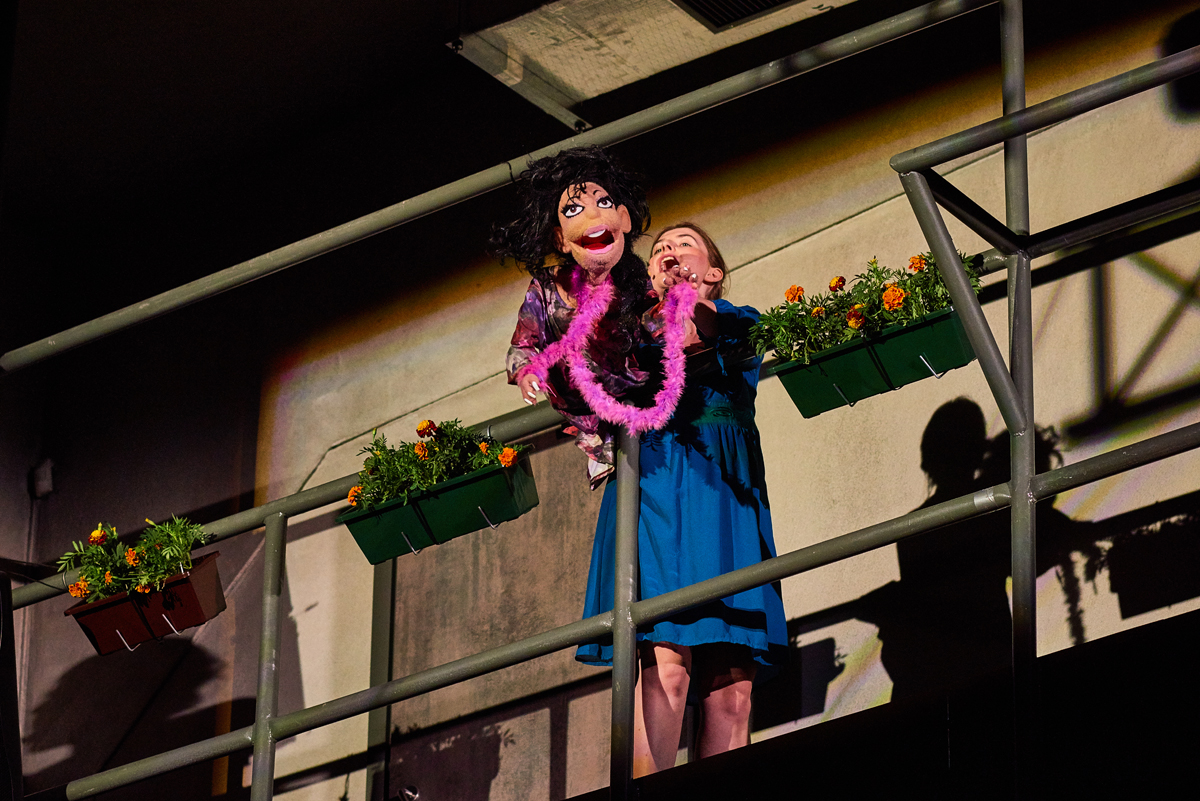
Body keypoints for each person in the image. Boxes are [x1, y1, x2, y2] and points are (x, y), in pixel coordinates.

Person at [575, 223, 788, 776]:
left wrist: (687, 302)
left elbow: (718, 330)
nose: (669, 251)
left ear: (714, 271)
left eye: (684, 244)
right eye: (659, 249)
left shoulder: (736, 318)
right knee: (666, 661)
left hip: (726, 499)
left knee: (732, 686)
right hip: (659, 487)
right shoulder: (627, 337)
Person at [496, 145, 656, 486]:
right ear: (561, 240)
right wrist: (527, 372)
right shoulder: (546, 287)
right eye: (573, 209)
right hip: (583, 407)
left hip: (643, 403)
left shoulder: (638, 280)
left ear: (623, 219)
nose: (593, 216)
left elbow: (662, 329)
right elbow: (523, 344)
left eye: (604, 202)